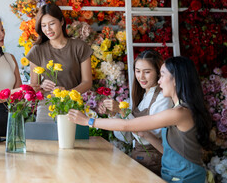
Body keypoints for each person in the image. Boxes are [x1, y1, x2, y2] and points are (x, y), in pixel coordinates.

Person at [68, 56, 211, 182]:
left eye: (162, 76)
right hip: (172, 176)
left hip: (184, 179)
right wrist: (149, 136)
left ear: (176, 80)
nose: (159, 82)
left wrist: (89, 121)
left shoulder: (179, 113)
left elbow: (127, 126)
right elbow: (170, 151)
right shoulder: (178, 110)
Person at [103, 50, 173, 175]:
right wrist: (114, 114)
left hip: (155, 161)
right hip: (138, 158)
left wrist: (122, 111)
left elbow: (147, 139)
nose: (141, 77)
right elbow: (128, 138)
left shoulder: (163, 98)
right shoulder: (141, 97)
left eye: (147, 72)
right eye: (138, 71)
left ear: (158, 73)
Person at [26, 3, 93, 121]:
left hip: (72, 106)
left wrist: (67, 93)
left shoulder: (79, 47)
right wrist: (41, 86)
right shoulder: (37, 50)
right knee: (44, 140)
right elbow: (34, 88)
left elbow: (87, 82)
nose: (48, 29)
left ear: (61, 22)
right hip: (47, 108)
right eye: (43, 25)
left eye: (52, 24)